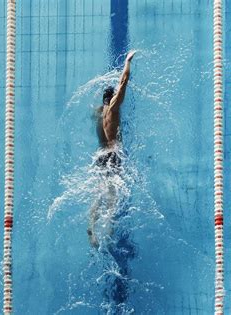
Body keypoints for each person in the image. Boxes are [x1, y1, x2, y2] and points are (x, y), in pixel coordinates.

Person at [88, 51, 136, 248]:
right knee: (113, 197)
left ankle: (92, 225)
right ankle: (107, 232)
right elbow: (123, 82)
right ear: (112, 98)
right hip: (112, 156)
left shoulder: (100, 113)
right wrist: (127, 62)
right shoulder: (113, 109)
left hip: (101, 155)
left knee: (100, 192)